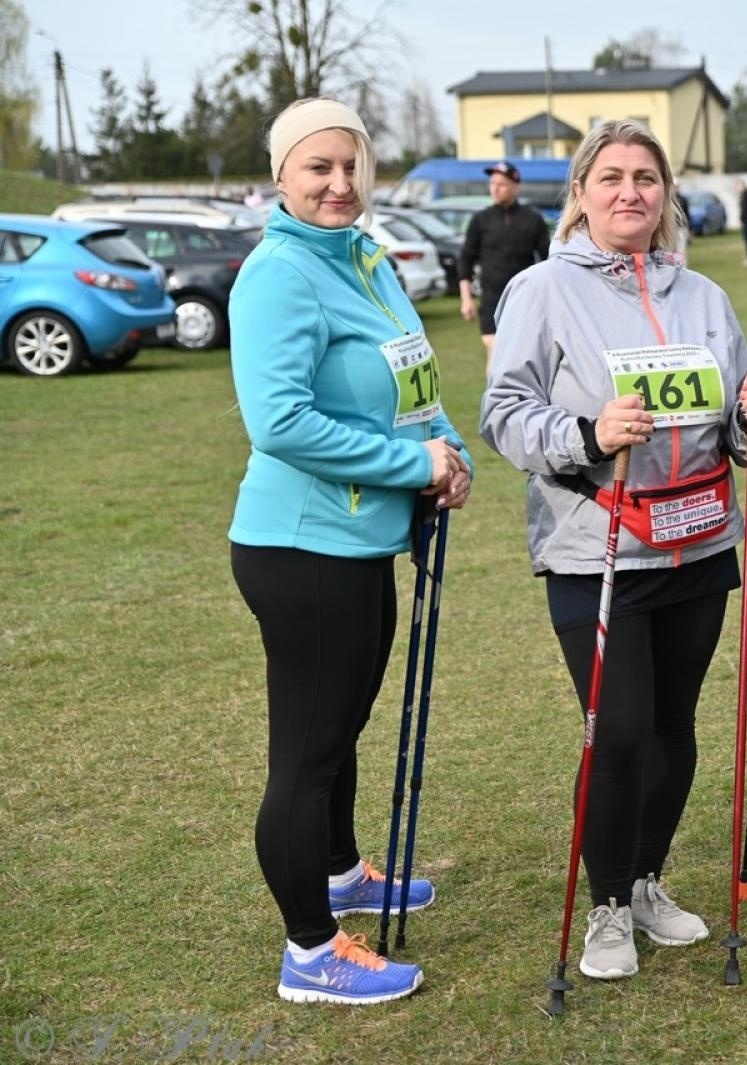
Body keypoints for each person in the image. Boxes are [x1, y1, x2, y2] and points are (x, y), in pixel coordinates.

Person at [479, 119, 747, 982]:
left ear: (665, 194)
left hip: (697, 544)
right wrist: (587, 429)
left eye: (645, 178)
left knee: (672, 729)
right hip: (596, 547)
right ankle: (606, 906)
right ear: (580, 193)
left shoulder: (704, 297)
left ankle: (646, 880)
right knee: (615, 734)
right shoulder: (541, 289)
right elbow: (505, 413)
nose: (629, 193)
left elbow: (735, 437)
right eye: (610, 177)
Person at [229, 97, 474, 1005]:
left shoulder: (367, 259)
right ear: (282, 177)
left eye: (350, 167)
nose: (338, 184)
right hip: (303, 548)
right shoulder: (278, 273)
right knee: (305, 753)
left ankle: (339, 871)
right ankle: (310, 950)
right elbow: (281, 419)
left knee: (339, 732)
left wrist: (450, 453)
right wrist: (412, 462)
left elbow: (412, 386)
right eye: (317, 168)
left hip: (363, 541)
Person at [458, 160, 552, 370]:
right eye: (492, 183)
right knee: (495, 347)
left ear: (515, 186)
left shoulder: (533, 219)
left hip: (524, 299)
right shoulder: (481, 220)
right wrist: (466, 299)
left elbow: (548, 258)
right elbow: (466, 258)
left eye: (501, 183)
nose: (495, 188)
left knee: (523, 354)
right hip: (491, 299)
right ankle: (494, 399)